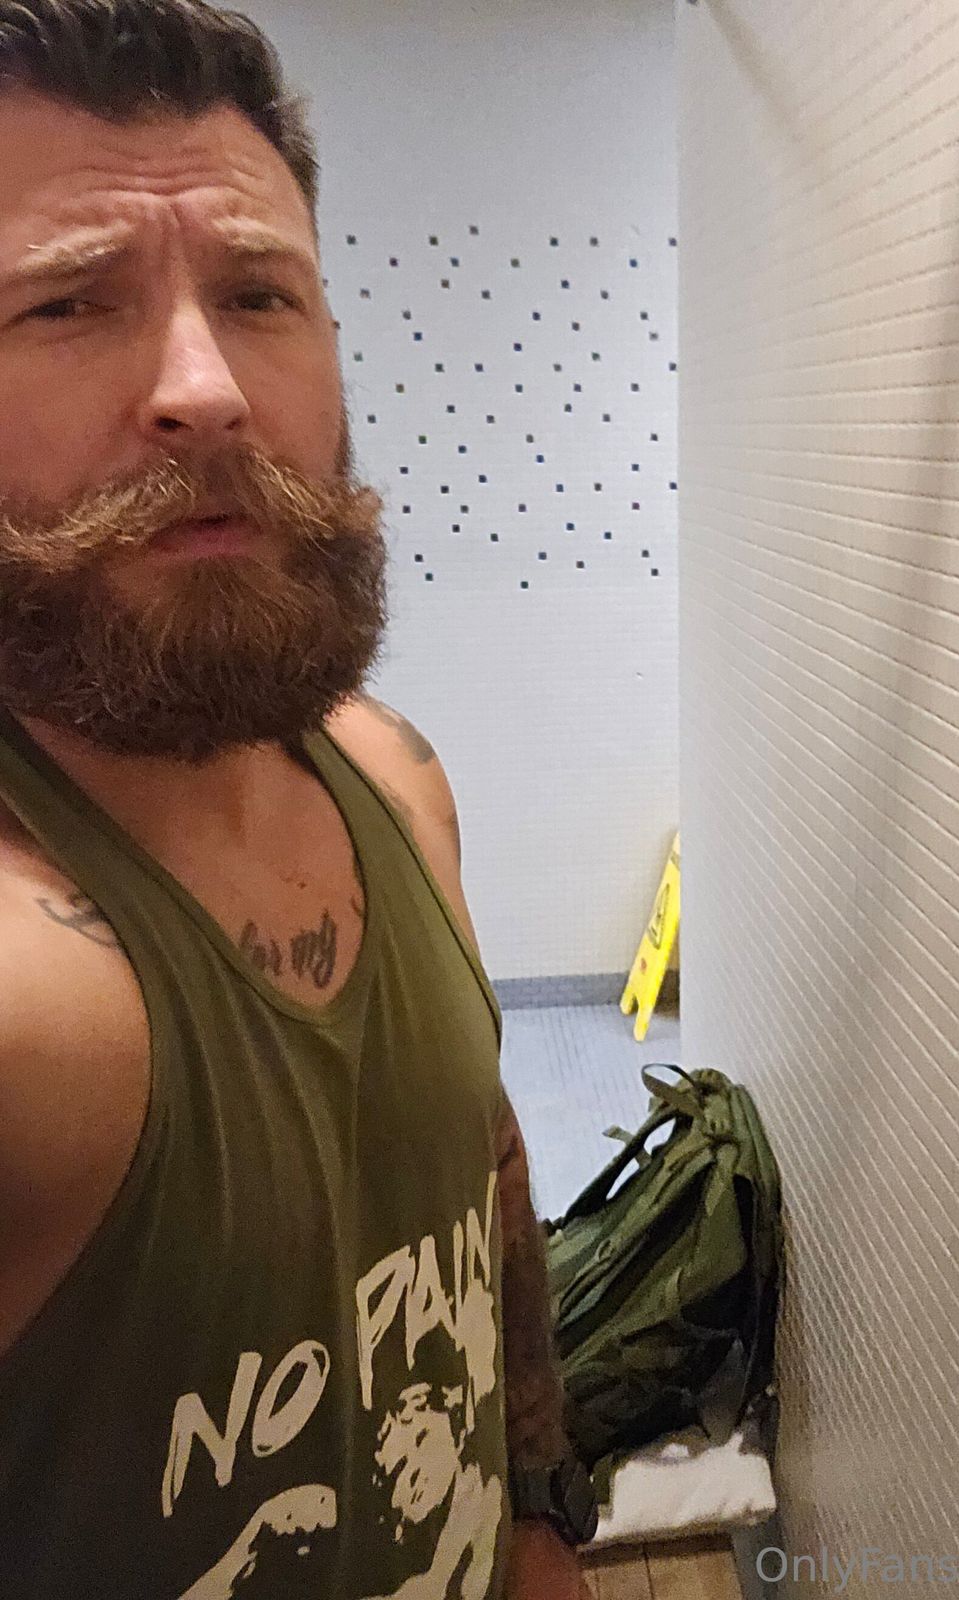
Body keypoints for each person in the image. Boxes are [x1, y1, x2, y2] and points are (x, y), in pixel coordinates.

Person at [0, 1, 598, 1594]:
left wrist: (542, 1505)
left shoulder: (393, 777)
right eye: (68, 304)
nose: (206, 390)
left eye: (259, 295)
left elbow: (479, 1157)